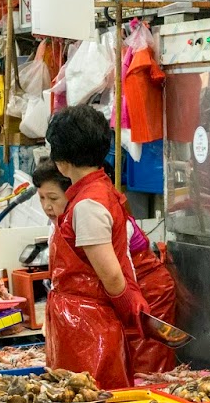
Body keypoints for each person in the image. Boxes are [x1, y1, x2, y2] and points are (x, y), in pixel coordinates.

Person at [41, 105, 155, 388]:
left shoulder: (88, 204)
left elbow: (111, 273)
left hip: (87, 325)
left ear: (61, 162)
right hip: (84, 319)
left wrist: (128, 304)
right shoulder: (97, 192)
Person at [33, 161, 177, 377]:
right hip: (117, 294)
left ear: (71, 193)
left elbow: (115, 273)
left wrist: (128, 302)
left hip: (145, 290)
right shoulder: (64, 220)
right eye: (41, 198)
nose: (47, 206)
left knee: (146, 370)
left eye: (53, 198)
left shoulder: (92, 211)